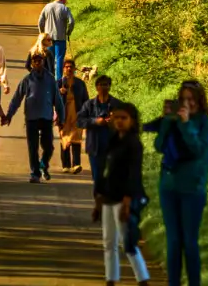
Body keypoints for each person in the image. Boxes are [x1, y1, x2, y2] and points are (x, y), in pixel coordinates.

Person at [150, 80, 208, 286]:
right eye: (183, 99)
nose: (188, 103)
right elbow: (159, 145)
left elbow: (198, 149)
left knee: (189, 241)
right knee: (174, 241)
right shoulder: (174, 120)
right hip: (169, 186)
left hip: (192, 188)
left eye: (191, 99)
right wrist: (166, 121)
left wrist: (187, 125)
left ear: (199, 100)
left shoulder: (206, 123)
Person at [92, 101, 153, 286]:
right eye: (116, 118)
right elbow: (104, 171)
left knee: (129, 243)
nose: (119, 121)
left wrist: (127, 202)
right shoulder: (112, 140)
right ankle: (111, 279)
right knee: (108, 242)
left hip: (125, 199)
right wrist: (98, 198)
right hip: (109, 197)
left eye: (123, 118)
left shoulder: (133, 144)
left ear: (132, 121)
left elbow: (134, 174)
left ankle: (143, 279)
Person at [3, 51, 64, 183]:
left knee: (48, 146)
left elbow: (57, 100)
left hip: (46, 117)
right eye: (35, 61)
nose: (37, 63)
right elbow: (16, 99)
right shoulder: (27, 80)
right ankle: (34, 173)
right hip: (31, 117)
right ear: (32, 63)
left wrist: (61, 117)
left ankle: (43, 163)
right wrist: (9, 115)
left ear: (43, 62)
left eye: (40, 60)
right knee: (33, 146)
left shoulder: (50, 79)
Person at [77, 74, 119, 186]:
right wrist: (95, 121)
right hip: (94, 148)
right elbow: (79, 121)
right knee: (97, 178)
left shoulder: (117, 104)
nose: (103, 87)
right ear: (96, 87)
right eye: (101, 85)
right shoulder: (89, 105)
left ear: (110, 86)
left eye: (106, 85)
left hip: (112, 148)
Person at [58, 59, 89, 174]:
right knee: (65, 138)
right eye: (66, 67)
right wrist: (60, 93)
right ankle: (65, 165)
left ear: (74, 69)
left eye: (71, 67)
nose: (69, 69)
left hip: (77, 114)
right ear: (63, 69)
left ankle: (76, 164)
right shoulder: (58, 83)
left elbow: (86, 100)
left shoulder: (80, 84)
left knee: (76, 139)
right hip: (64, 116)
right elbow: (51, 99)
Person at [38, 0, 75, 81]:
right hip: (60, 38)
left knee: (48, 58)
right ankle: (58, 80)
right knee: (59, 59)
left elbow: (40, 21)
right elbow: (71, 22)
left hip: (48, 38)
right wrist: (68, 32)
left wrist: (42, 33)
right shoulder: (64, 8)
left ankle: (49, 78)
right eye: (65, 0)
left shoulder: (47, 7)